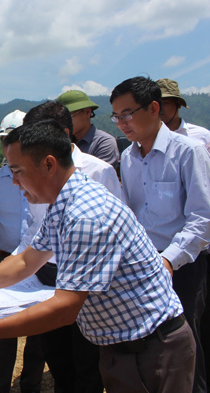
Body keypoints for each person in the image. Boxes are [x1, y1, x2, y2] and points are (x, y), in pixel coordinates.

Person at [0, 119, 196, 393]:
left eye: (18, 171)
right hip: (125, 345)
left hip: (150, 350)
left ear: (49, 164)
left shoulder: (86, 216)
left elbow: (65, 308)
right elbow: (27, 261)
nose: (14, 182)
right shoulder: (64, 202)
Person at [112, 76, 210, 393]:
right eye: (116, 116)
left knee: (186, 345)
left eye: (127, 113)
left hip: (182, 266)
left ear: (154, 108)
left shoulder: (189, 152)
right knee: (156, 348)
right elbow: (132, 215)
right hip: (146, 267)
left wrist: (168, 261)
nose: (121, 123)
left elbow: (202, 218)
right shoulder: (128, 157)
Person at [19, 101, 123, 393]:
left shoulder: (96, 174)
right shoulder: (37, 175)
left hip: (88, 284)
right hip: (49, 278)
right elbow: (33, 234)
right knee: (57, 355)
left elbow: (112, 234)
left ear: (63, 134)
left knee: (87, 360)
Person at [0, 110, 45, 393]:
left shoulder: (44, 177)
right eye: (6, 138)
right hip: (9, 258)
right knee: (3, 329)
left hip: (42, 261)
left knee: (38, 331)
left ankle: (32, 382)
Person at [56, 90, 120, 169]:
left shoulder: (104, 143)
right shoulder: (61, 142)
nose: (62, 122)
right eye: (59, 118)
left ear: (87, 112)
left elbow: (99, 175)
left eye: (67, 117)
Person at [156, 78, 210, 153]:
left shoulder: (203, 136)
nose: (159, 108)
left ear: (178, 104)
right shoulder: (147, 142)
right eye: (155, 105)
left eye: (164, 103)